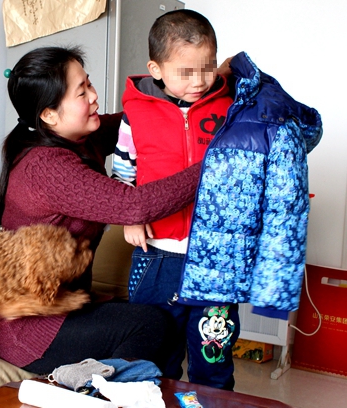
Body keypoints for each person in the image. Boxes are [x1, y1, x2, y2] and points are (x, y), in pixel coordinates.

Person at [0, 45, 204, 375]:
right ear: (49, 114)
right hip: (28, 329)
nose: (94, 96)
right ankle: (96, 390)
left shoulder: (77, 137)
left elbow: (138, 118)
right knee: (153, 324)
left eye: (89, 83)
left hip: (65, 305)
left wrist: (186, 79)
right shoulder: (46, 167)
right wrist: (214, 163)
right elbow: (136, 205)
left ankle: (124, 387)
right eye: (81, 92)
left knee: (156, 318)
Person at [111, 10, 239, 390]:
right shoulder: (136, 115)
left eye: (208, 67)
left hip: (215, 257)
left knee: (213, 359)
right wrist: (131, 216)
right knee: (155, 356)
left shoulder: (229, 107)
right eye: (186, 72)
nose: (199, 81)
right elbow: (123, 174)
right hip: (157, 256)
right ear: (156, 69)